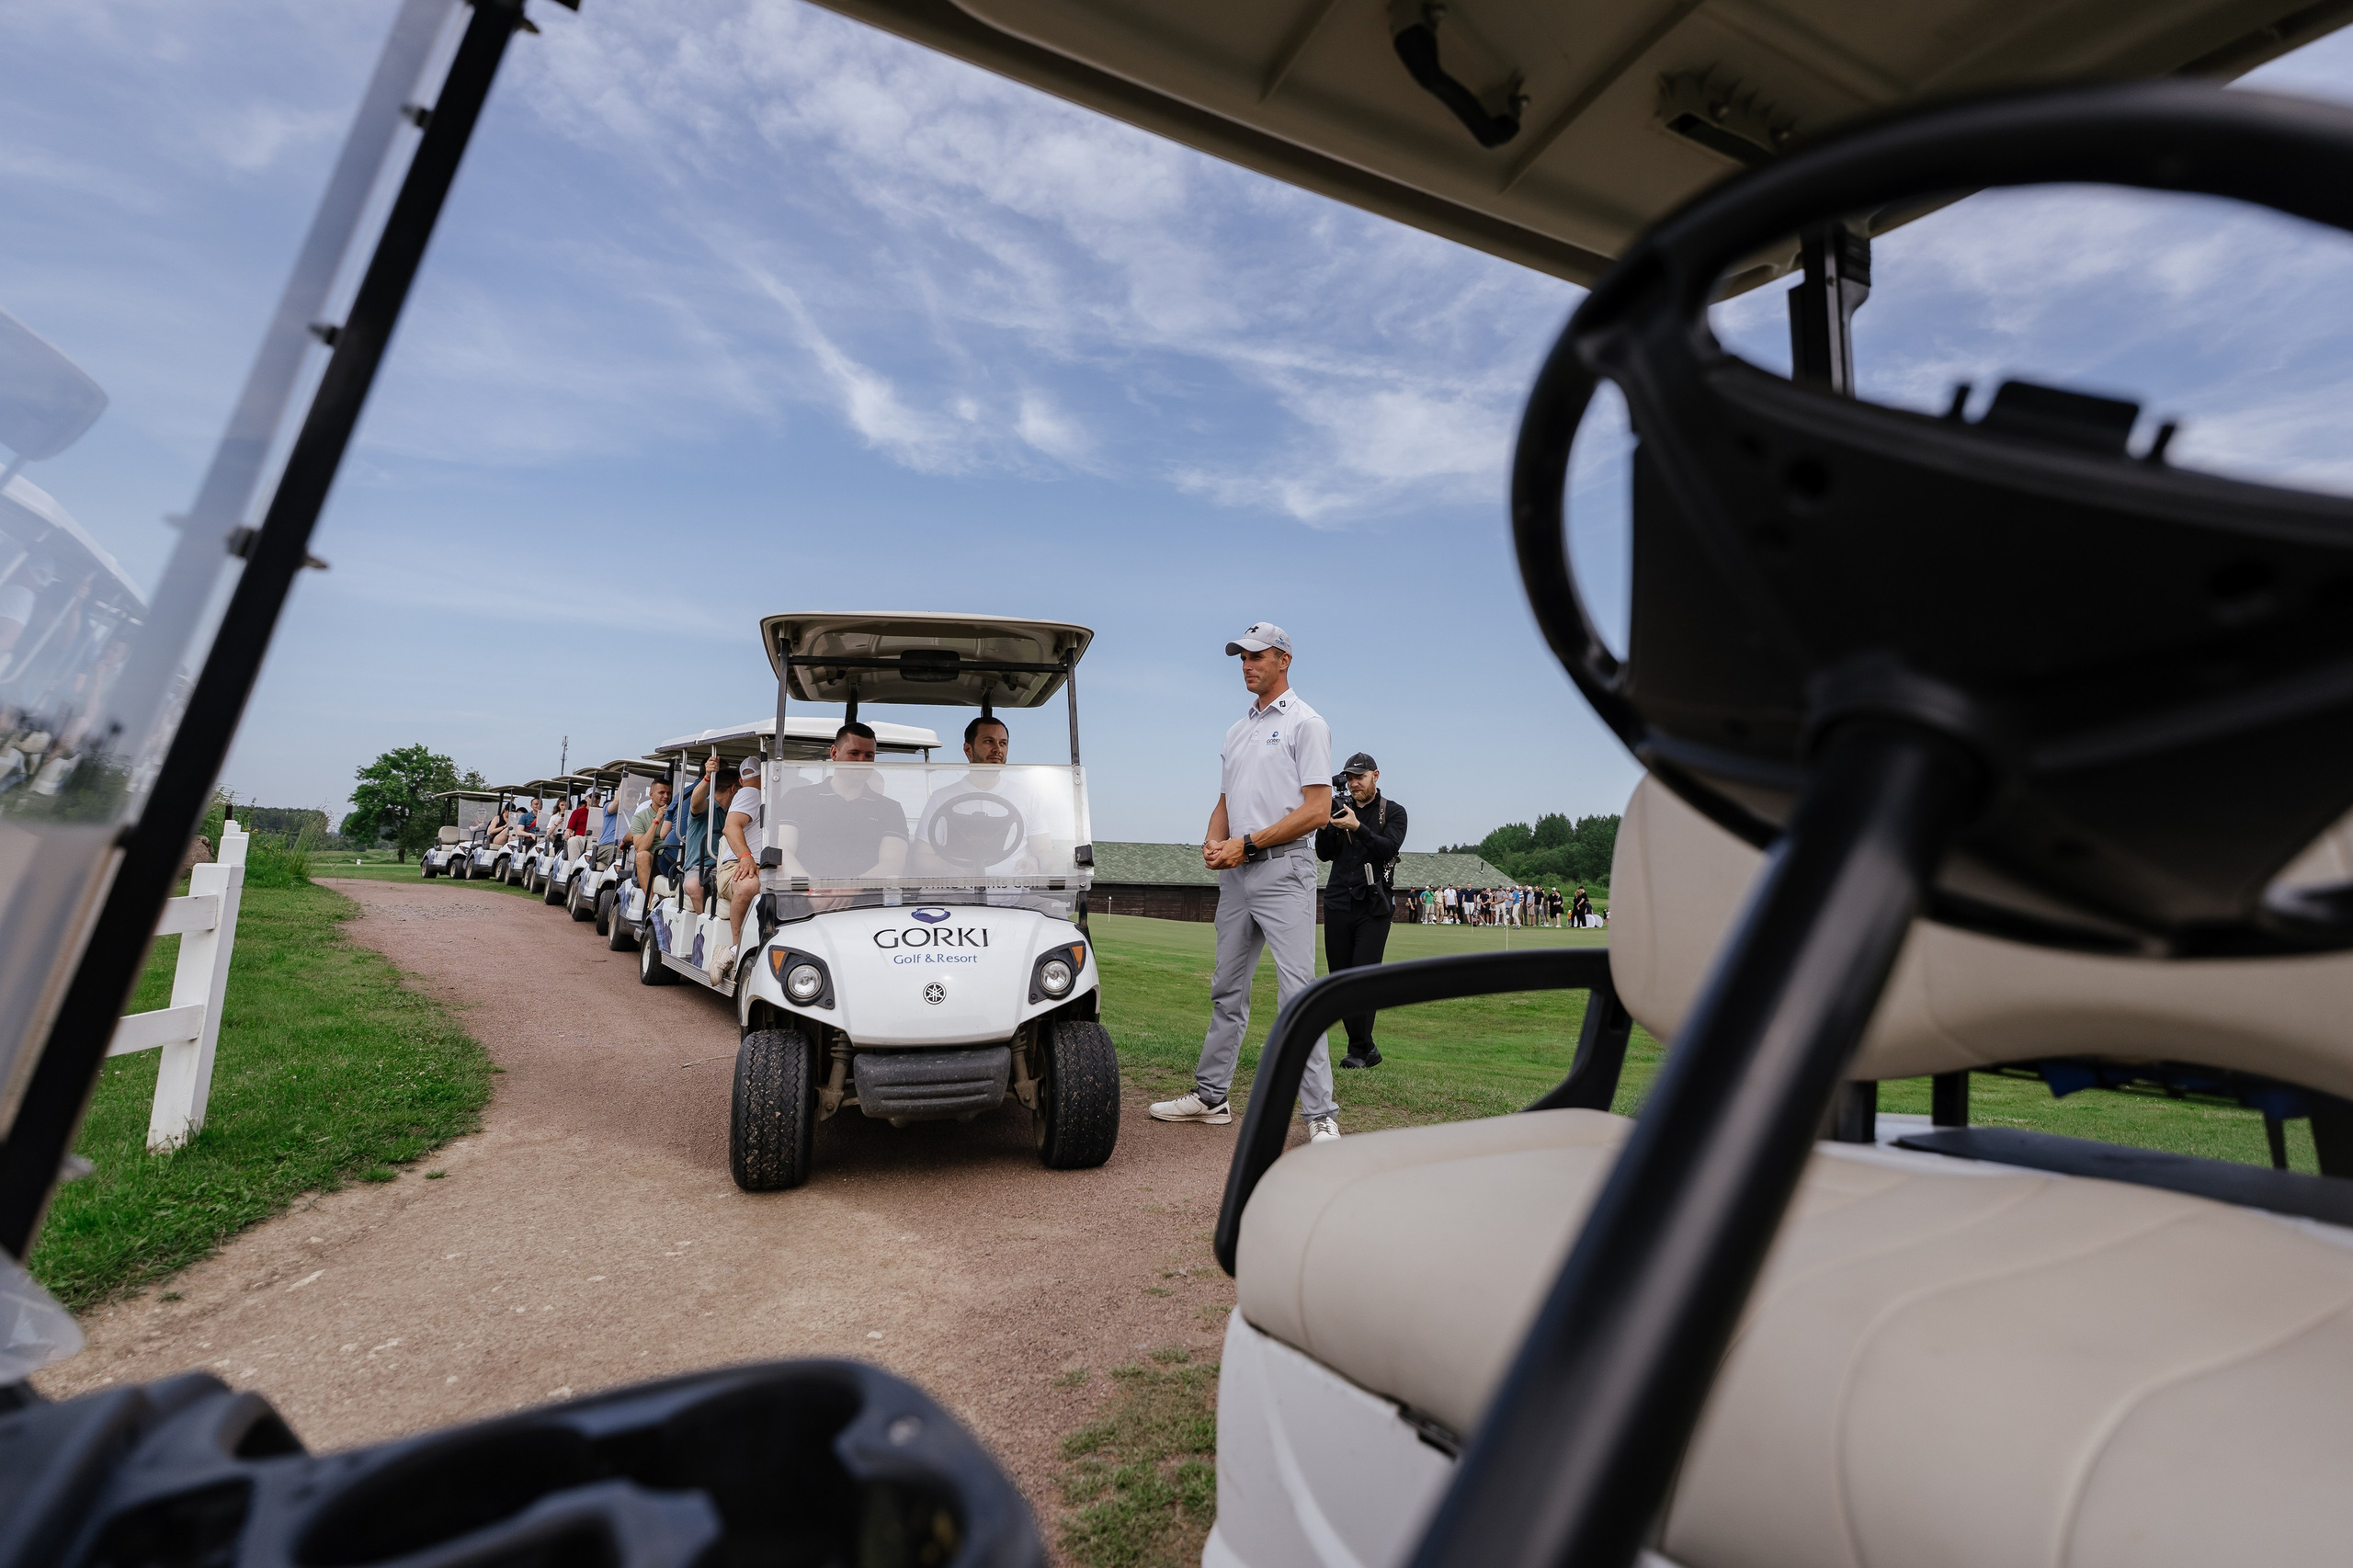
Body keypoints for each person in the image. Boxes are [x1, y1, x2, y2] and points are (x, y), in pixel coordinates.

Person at [1150, 622, 1341, 1143]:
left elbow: (1318, 810)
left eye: (1257, 656)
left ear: (1284, 660)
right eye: (1242, 657)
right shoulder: (1237, 730)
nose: (1247, 665)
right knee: (1227, 989)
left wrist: (1248, 844)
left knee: (1297, 993)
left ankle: (1320, 1113)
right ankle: (1211, 1097)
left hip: (1285, 869)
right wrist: (1215, 841)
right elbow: (1226, 800)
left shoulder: (1307, 724)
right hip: (1237, 875)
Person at [1315, 751, 1406, 1069]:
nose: (1354, 784)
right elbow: (1324, 854)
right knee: (1340, 979)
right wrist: (1327, 824)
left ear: (1375, 776)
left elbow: (1388, 847)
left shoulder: (1393, 812)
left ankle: (1357, 1051)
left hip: (1374, 905)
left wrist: (1356, 827)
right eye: (1350, 778)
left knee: (1363, 978)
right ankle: (1367, 1048)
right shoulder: (1338, 808)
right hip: (1338, 901)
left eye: (1360, 777)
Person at [773, 723, 911, 904]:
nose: (862, 761)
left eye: (869, 755)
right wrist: (811, 891)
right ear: (834, 753)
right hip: (802, 900)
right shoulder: (797, 797)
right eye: (854, 753)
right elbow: (783, 852)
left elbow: (893, 862)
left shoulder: (890, 808)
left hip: (866, 902)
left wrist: (854, 886)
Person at [709, 756, 767, 978]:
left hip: (771, 867)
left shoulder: (779, 798)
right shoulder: (750, 793)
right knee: (749, 885)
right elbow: (731, 827)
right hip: (739, 864)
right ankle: (736, 948)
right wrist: (745, 856)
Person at [630, 778, 673, 894]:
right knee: (642, 856)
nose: (666, 796)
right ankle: (650, 901)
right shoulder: (639, 817)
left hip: (672, 856)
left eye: (668, 793)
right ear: (651, 794)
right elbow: (641, 847)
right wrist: (657, 819)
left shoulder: (675, 813)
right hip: (654, 858)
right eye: (661, 793)